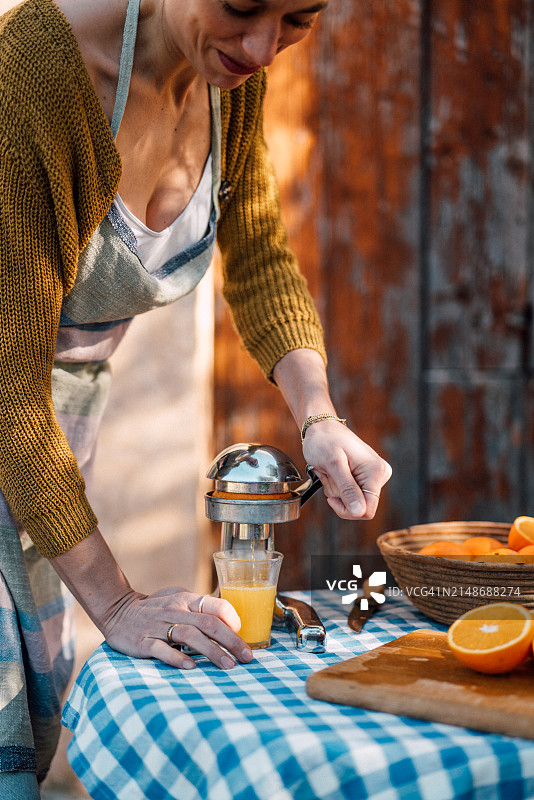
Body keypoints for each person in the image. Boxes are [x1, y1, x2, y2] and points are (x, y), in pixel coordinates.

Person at [0, 0, 392, 793]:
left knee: (36, 707)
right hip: (15, 419)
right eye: (242, 8)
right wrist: (116, 606)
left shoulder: (225, 76)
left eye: (298, 21)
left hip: (55, 437)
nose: (262, 46)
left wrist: (319, 418)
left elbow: (258, 254)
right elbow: (9, 386)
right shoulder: (37, 73)